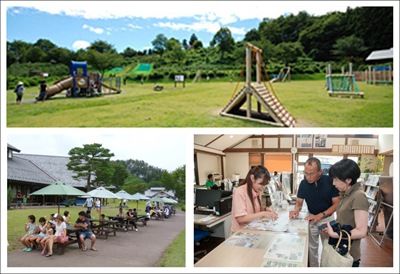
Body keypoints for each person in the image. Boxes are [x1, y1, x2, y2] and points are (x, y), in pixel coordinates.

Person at [289, 157, 340, 267]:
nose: (308, 177)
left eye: (311, 174)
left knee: (328, 248)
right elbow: (298, 203)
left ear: (320, 172)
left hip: (327, 219)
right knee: (312, 248)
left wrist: (321, 215)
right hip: (312, 218)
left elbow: (336, 204)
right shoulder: (303, 184)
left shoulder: (330, 181)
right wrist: (295, 211)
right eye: (305, 173)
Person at [323, 159, 369, 267]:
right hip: (341, 247)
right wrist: (334, 229)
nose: (333, 183)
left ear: (348, 179)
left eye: (336, 179)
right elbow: (346, 220)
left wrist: (335, 234)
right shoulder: (345, 194)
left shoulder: (358, 196)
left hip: (349, 254)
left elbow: (362, 231)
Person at [231, 165, 278, 233]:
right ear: (252, 178)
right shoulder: (240, 191)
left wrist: (268, 210)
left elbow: (261, 208)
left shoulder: (259, 191)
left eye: (264, 185)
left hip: (252, 231)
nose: (262, 187)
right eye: (260, 184)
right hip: (240, 233)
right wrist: (263, 213)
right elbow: (240, 219)